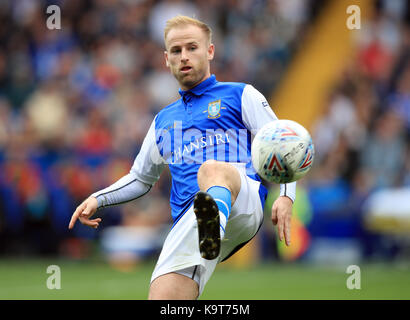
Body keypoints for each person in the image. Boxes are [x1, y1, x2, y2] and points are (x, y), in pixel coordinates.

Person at [68, 15, 296, 300]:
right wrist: (98, 199)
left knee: (212, 170)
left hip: (242, 201)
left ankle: (213, 221)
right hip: (190, 222)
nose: (184, 56)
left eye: (192, 48)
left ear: (210, 51)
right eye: (176, 51)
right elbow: (141, 179)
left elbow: (282, 146)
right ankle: (207, 228)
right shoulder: (162, 121)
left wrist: (286, 196)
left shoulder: (240, 95)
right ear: (166, 59)